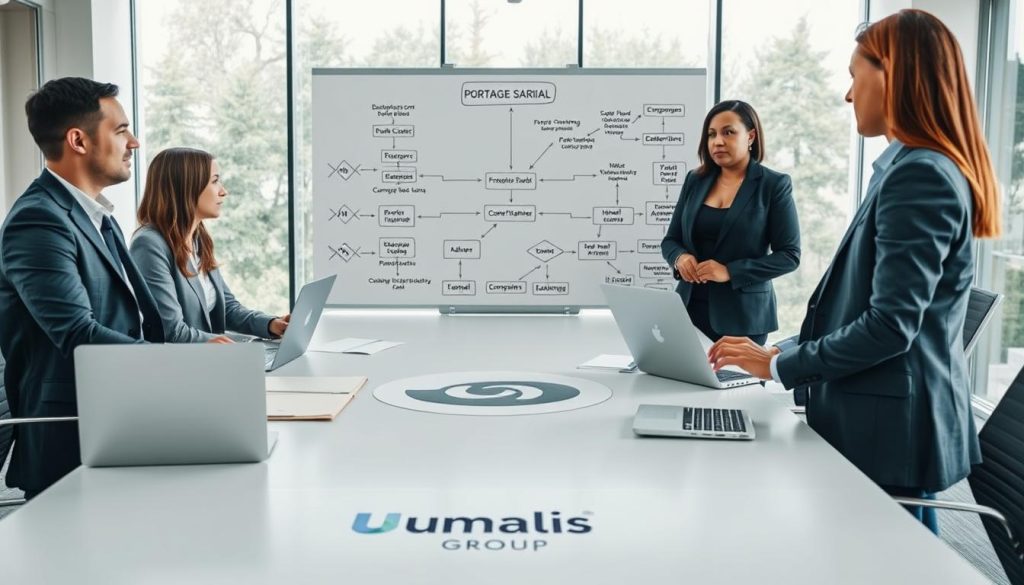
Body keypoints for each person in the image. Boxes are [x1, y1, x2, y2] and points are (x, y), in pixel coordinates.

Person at [708, 9, 1001, 534]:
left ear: (893, 76)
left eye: (854, 76)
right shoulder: (906, 169)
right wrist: (778, 351)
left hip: (890, 434)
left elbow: (890, 326)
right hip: (883, 423)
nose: (848, 95)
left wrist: (779, 367)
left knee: (890, 562)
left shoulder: (920, 176)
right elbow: (860, 306)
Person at [0, 78, 166, 498]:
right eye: (121, 130)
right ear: (78, 140)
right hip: (74, 439)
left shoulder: (97, 217)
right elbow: (78, 334)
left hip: (119, 415)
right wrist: (178, 365)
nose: (134, 142)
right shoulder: (38, 220)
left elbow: (135, 320)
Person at [661, 100, 800, 345]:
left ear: (751, 136)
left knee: (732, 373)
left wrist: (729, 271)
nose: (717, 141)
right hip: (687, 310)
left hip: (743, 318)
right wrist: (680, 258)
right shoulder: (695, 180)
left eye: (728, 132)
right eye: (711, 134)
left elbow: (789, 256)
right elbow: (671, 241)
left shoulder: (773, 185)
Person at [130, 147, 289, 343]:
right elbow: (171, 331)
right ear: (186, 187)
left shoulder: (198, 239)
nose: (223, 191)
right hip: (181, 360)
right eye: (214, 181)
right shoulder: (149, 245)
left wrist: (272, 324)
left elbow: (228, 309)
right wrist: (224, 346)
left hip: (209, 356)